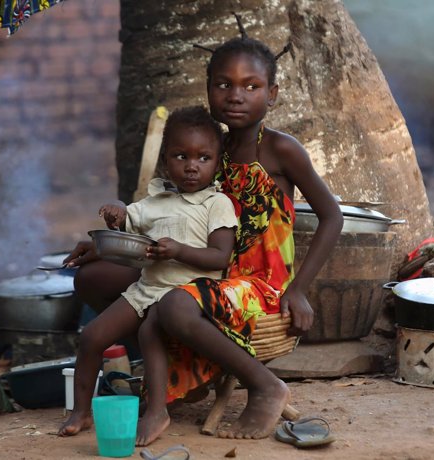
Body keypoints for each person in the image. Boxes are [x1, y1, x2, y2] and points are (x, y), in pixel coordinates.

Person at [61, 18, 343, 445]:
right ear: (208, 89)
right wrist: (107, 247)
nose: (236, 96)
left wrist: (299, 289)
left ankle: (264, 384)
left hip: (254, 283)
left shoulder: (281, 149)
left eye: (251, 86)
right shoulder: (208, 148)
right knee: (92, 278)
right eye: (223, 84)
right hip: (199, 270)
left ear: (274, 94)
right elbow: (175, 219)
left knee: (171, 306)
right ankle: (167, 371)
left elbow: (332, 216)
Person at [58, 105, 238, 439]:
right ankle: (81, 412)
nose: (192, 167)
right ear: (165, 160)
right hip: (146, 289)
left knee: (149, 333)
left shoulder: (217, 204)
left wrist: (180, 251)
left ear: (217, 160)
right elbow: (127, 230)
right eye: (181, 156)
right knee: (92, 336)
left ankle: (157, 413)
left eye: (203, 158)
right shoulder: (155, 202)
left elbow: (220, 257)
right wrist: (115, 214)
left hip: (189, 297)